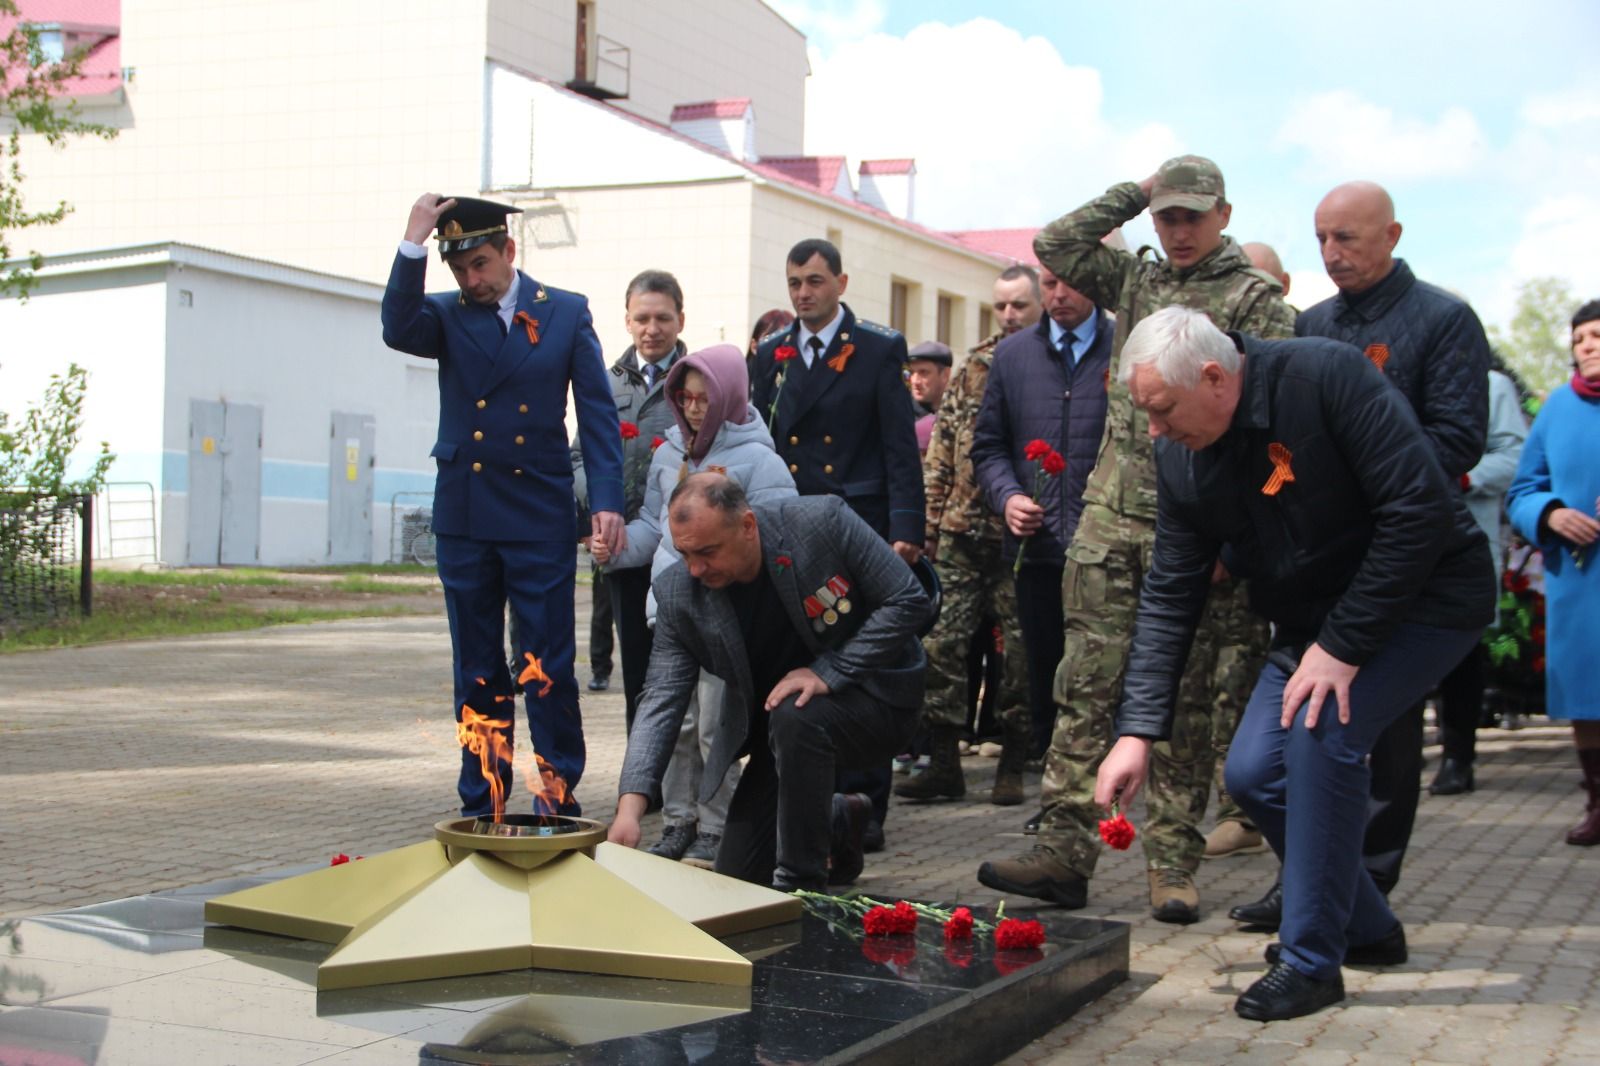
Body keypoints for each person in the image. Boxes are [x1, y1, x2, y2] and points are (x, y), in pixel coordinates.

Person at [1096, 307, 1493, 1020]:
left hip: (1428, 597)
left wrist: (1343, 648)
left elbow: (1418, 512)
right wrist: (1137, 732)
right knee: (1253, 773)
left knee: (1321, 738)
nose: (1155, 430)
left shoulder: (1326, 377)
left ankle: (1312, 961)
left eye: (1161, 410)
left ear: (1216, 377)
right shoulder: (1181, 453)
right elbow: (1171, 591)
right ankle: (1368, 927)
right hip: (1315, 621)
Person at [978, 156, 1293, 925]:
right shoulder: (1135, 280)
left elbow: (1271, 424)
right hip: (1111, 519)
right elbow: (1057, 243)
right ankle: (1062, 851)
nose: (1179, 231)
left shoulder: (1256, 300)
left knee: (1184, 704)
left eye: (1192, 216)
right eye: (1167, 216)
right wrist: (1133, 192)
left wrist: (1238, 538)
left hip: (1198, 530)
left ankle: (1172, 866)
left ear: (1224, 214)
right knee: (1081, 685)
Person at [1229, 180, 1492, 930]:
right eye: (1321, 238)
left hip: (1407, 554)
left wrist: (1361, 481)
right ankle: (1315, 881)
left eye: (1347, 237)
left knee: (1379, 732)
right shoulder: (1310, 324)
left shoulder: (1442, 320)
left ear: (1393, 234)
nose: (1331, 253)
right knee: (1296, 744)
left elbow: (1456, 440)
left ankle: (1368, 879)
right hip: (1320, 562)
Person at [381, 193, 624, 817]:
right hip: (467, 516)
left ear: (509, 252)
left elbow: (596, 415)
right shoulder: (446, 315)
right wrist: (412, 241)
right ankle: (483, 795)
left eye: (482, 264)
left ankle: (556, 793)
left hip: (538, 514)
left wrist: (606, 500)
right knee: (478, 666)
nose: (472, 280)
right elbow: (396, 326)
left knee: (545, 663)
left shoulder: (565, 313)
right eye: (459, 269)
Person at [609, 474, 928, 890]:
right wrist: (629, 811)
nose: (695, 569)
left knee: (798, 714)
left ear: (747, 526)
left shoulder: (822, 522)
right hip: (780, 739)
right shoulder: (678, 593)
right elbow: (660, 700)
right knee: (736, 884)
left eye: (707, 552)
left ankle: (802, 887)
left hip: (875, 701)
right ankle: (832, 818)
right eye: (684, 553)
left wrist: (827, 672)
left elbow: (907, 598)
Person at [750, 237, 926, 851]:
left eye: (816, 281)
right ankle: (811, 798)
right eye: (795, 281)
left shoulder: (877, 348)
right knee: (805, 656)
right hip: (793, 524)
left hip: (859, 519)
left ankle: (867, 803)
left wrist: (906, 528)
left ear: (841, 283)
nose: (804, 293)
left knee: (861, 656)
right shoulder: (771, 354)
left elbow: (900, 445)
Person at [594, 344, 797, 866]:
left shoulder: (759, 459)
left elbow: (776, 539)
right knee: (675, 726)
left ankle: (716, 825)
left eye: (704, 398)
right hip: (670, 613)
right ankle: (679, 819)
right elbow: (652, 529)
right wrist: (616, 549)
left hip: (725, 619)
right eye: (683, 398)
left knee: (715, 727)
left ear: (729, 394)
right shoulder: (668, 454)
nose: (693, 409)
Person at [896, 266, 1039, 806]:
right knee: (942, 647)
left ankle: (1013, 762)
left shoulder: (1050, 362)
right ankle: (945, 763)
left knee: (1020, 656)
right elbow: (943, 448)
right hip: (960, 531)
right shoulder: (976, 364)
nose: (1009, 315)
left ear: (1039, 304)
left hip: (1020, 537)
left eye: (1019, 305)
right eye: (1001, 305)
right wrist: (928, 525)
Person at [968, 266, 1112, 788]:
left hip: (1108, 551)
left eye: (1071, 282)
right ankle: (1061, 807)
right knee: (1046, 676)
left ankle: (1107, 797)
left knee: (1101, 682)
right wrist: (1007, 497)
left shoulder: (1124, 345)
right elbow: (987, 447)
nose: (1059, 295)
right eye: (1049, 284)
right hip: (1038, 550)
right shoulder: (1013, 355)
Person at [574, 270, 689, 735]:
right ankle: (644, 781)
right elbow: (578, 456)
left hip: (683, 549)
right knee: (637, 670)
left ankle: (689, 779)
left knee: (683, 667)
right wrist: (600, 513)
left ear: (681, 319)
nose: (652, 328)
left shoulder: (697, 382)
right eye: (642, 318)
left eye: (663, 317)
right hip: (622, 549)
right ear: (626, 321)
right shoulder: (604, 383)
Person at [1205, 239, 1291, 859]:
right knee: (1201, 687)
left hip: (1266, 564)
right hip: (1216, 551)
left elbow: (1284, 476)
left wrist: (1238, 550)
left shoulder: (1300, 365)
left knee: (1242, 683)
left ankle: (1248, 814)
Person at [1506, 299, 1600, 846]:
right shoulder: (1558, 409)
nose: (1586, 345)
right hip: (1580, 578)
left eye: (1596, 335)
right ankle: (1596, 803)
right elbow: (1524, 489)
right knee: (1587, 697)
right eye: (1580, 337)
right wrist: (1551, 513)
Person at [1430, 366, 1525, 794]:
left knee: (1461, 651)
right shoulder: (1395, 371)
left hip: (1466, 527)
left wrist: (1467, 477)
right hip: (1399, 530)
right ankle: (1400, 754)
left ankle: (1458, 756)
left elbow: (1513, 456)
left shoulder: (1491, 386)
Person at [906, 340, 953, 455]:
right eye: (911, 373)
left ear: (945, 375)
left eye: (923, 373)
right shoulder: (902, 416)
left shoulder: (957, 415)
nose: (915, 381)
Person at [747, 308, 795, 389]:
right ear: (754, 346)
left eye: (788, 341)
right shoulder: (741, 382)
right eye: (771, 341)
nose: (781, 348)